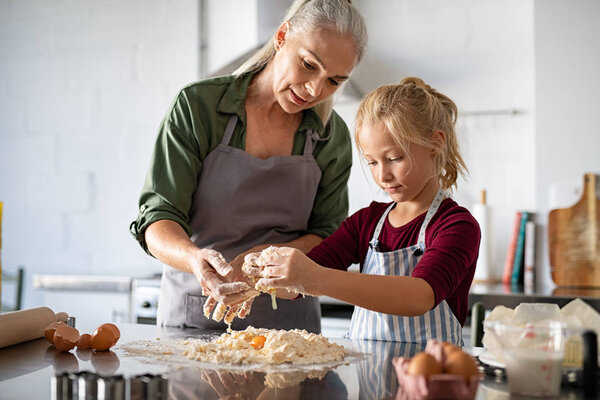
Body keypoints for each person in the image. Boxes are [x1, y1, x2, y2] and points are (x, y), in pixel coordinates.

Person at [129, 0, 367, 332]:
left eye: (334, 81)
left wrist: (263, 258)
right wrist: (196, 260)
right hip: (196, 321)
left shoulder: (330, 136)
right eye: (309, 65)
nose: (315, 90)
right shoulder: (199, 107)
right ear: (282, 36)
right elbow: (158, 218)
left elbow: (328, 236)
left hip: (289, 331)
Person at [252, 77, 481, 345]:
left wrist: (313, 278)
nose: (382, 175)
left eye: (395, 158)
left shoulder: (457, 226)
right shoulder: (366, 222)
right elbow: (300, 282)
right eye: (372, 162)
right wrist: (256, 277)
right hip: (367, 382)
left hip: (430, 379)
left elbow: (420, 296)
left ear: (435, 144)